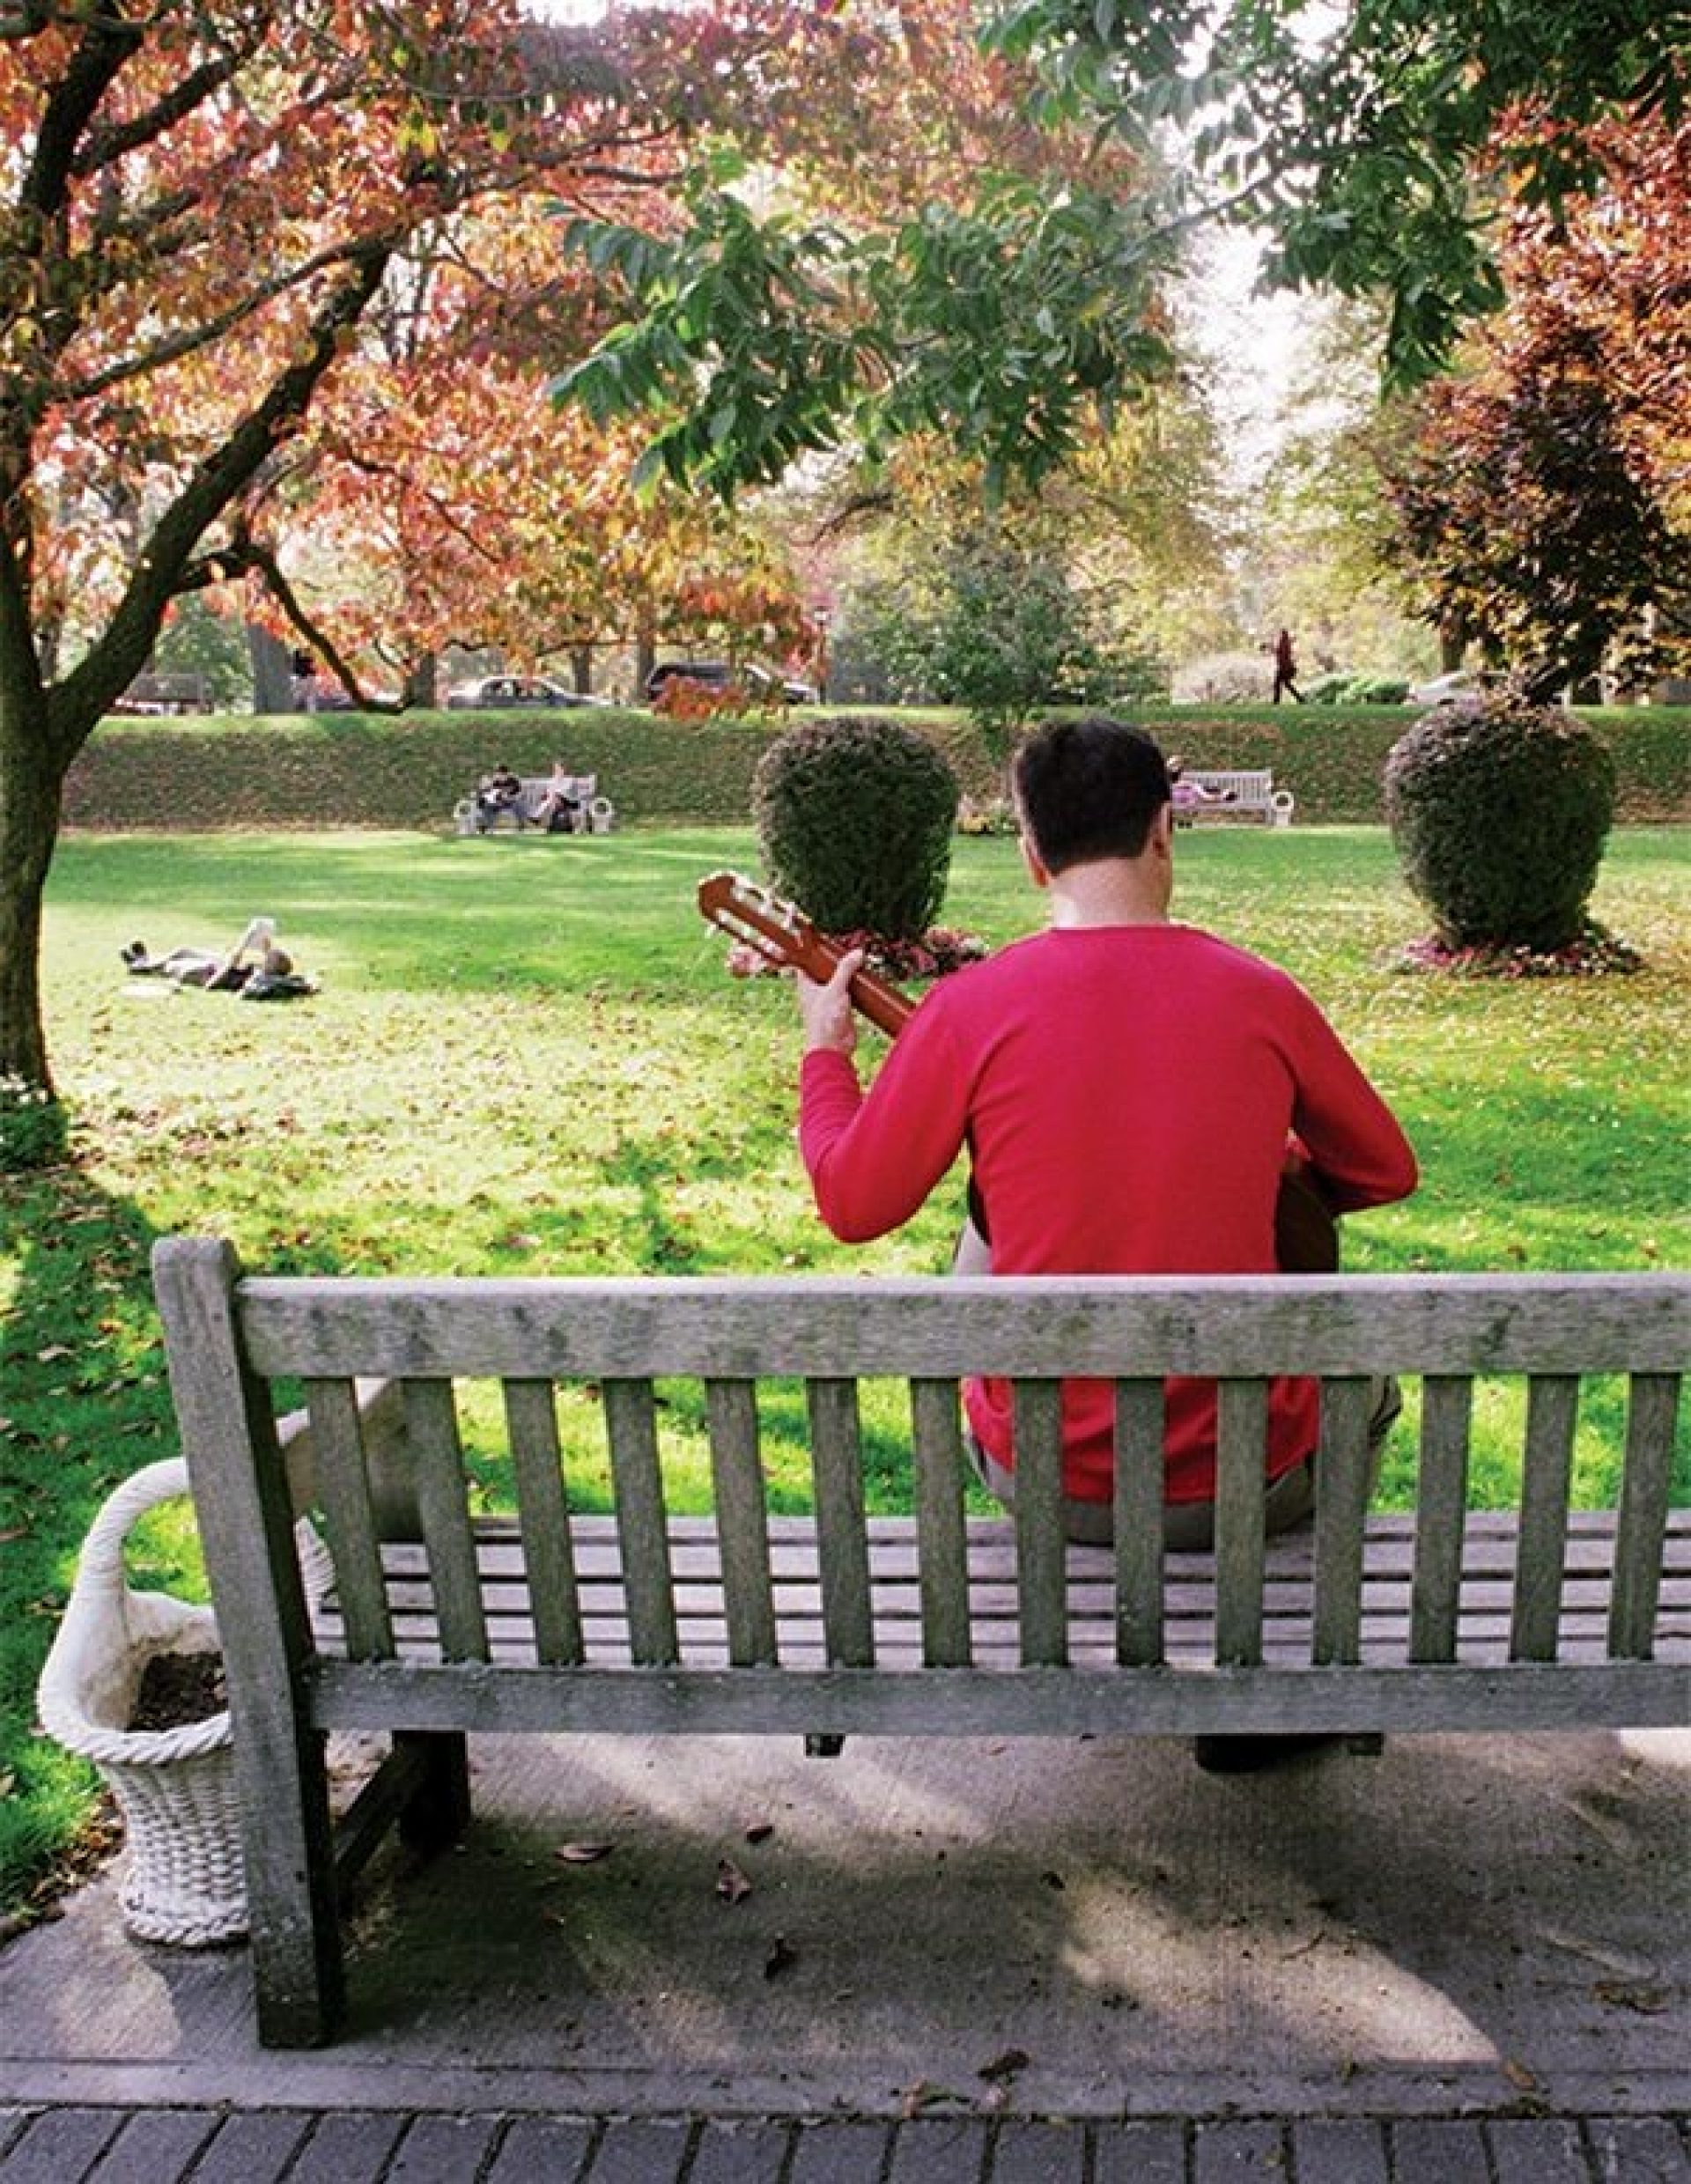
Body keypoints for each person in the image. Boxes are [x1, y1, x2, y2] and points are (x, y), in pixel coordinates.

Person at [793, 718, 1418, 1768]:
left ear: (1031, 855)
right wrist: (1273, 1164)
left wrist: (826, 1053)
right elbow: (1385, 1170)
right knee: (1370, 1390)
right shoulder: (1259, 993)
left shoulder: (967, 1009)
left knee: (982, 1229)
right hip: (1248, 1481)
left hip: (1044, 1477)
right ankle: (1263, 1667)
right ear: (1167, 832)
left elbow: (853, 1201)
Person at [532, 759, 582, 834]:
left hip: (570, 801)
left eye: (558, 769)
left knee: (554, 796)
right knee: (551, 798)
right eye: (555, 769)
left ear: (563, 770)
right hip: (555, 801)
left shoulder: (570, 780)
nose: (556, 771)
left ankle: (537, 817)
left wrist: (555, 792)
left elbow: (566, 792)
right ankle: (548, 822)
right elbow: (549, 791)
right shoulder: (553, 780)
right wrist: (553, 787)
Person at [474, 764, 523, 832]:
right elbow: (491, 792)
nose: (497, 775)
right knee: (487, 806)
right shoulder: (495, 781)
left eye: (499, 773)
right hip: (498, 803)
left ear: (505, 774)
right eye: (497, 774)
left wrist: (509, 797)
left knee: (518, 805)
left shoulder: (513, 780)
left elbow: (519, 793)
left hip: (511, 802)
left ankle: (521, 825)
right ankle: (488, 826)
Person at [1272, 628, 1302, 705]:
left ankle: (1276, 701)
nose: (1279, 636)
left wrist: (1269, 647)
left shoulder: (1284, 643)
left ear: (1282, 635)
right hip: (1285, 667)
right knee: (1286, 684)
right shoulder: (1285, 643)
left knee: (1278, 684)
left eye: (1280, 634)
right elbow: (1278, 651)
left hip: (1285, 668)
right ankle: (1300, 699)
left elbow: (1280, 652)